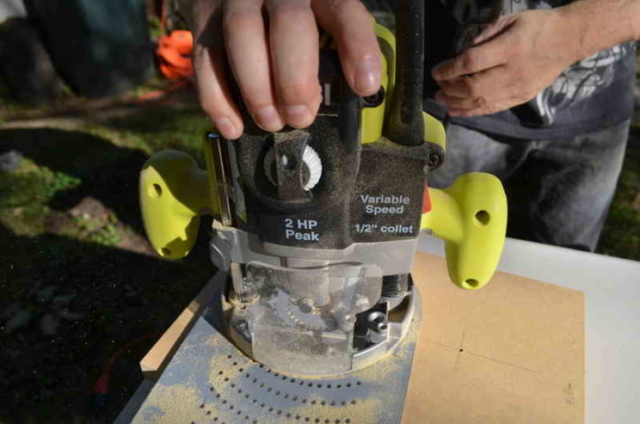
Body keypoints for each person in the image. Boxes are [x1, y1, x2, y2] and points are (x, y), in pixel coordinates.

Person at [177, 0, 639, 252]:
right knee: (413, 262)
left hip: (595, 111)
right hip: (440, 101)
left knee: (566, 268)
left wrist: (574, 33)